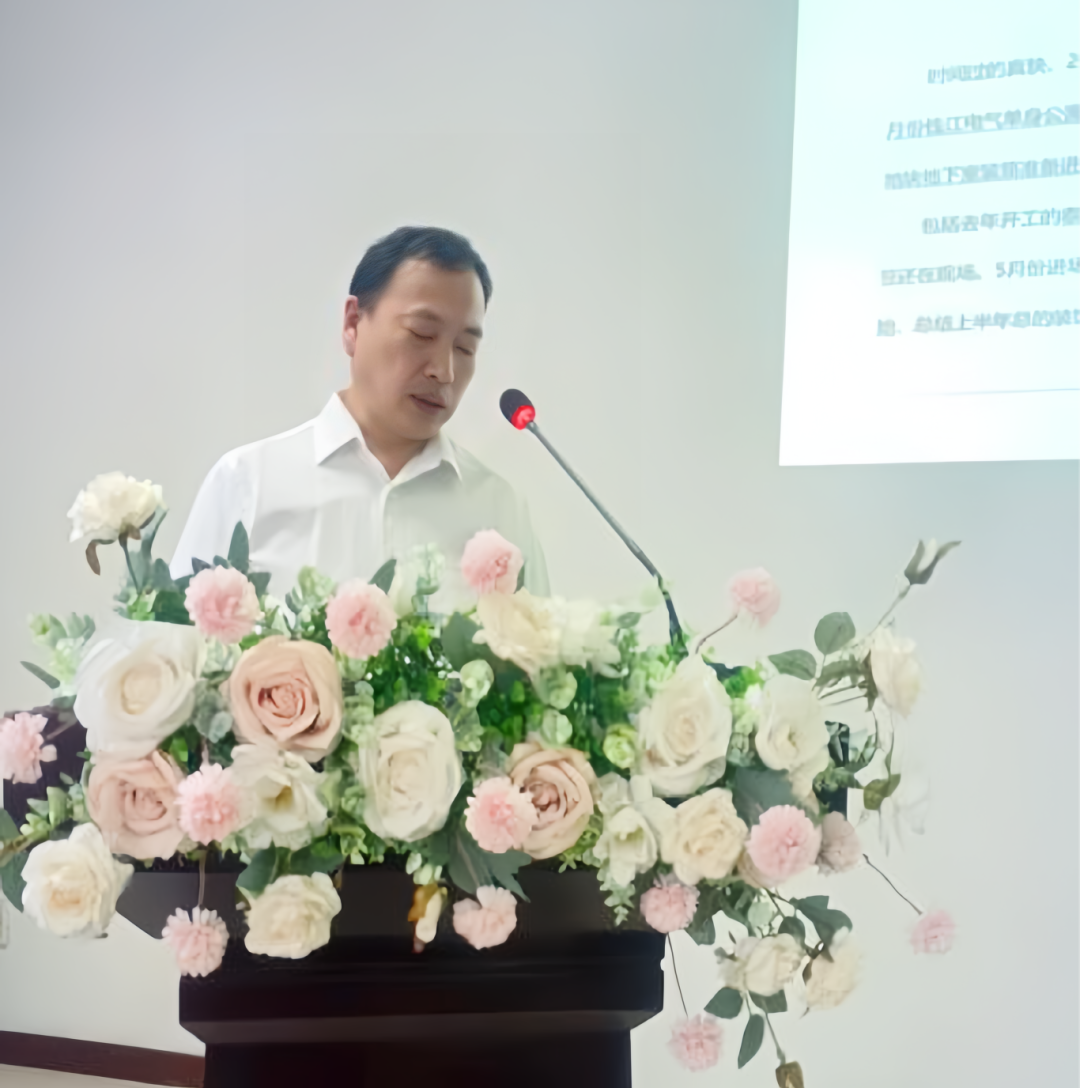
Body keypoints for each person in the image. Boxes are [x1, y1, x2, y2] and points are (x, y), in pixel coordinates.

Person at [170, 226, 548, 610]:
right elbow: (171, 639)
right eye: (422, 333)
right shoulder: (247, 483)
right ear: (352, 323)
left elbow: (542, 645)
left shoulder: (500, 510)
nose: (444, 371)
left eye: (464, 348)